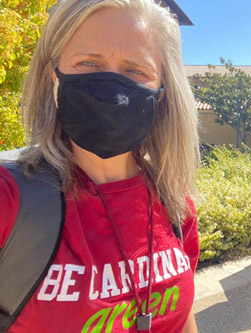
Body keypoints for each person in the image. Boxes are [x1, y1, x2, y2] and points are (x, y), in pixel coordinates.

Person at [0, 0, 200, 332]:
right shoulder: (11, 198)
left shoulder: (175, 204)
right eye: (89, 62)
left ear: (162, 92)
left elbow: (183, 319)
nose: (110, 86)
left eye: (136, 70)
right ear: (55, 78)